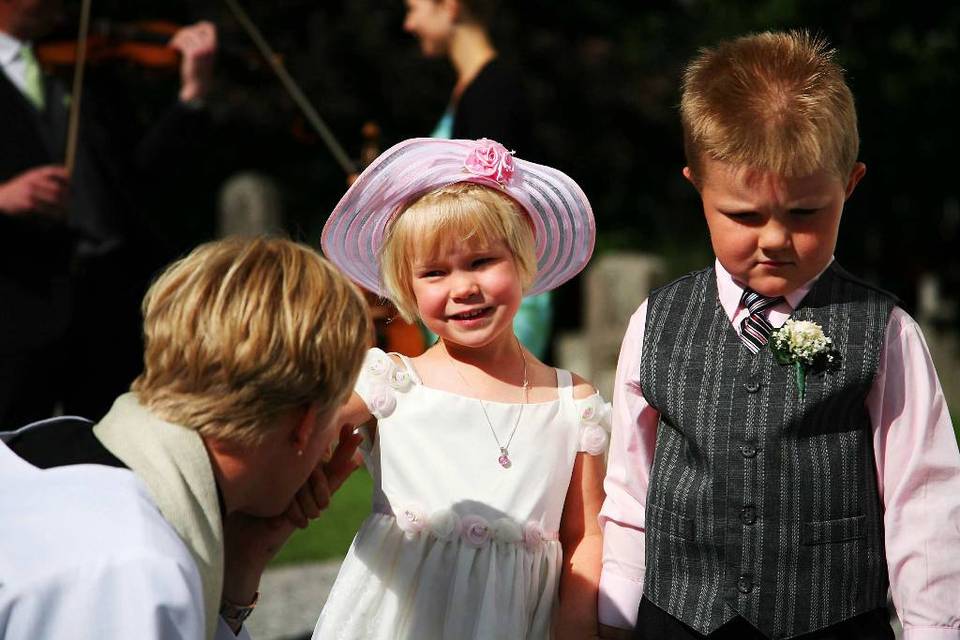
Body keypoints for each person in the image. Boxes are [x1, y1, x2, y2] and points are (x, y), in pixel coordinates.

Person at [597, 31, 960, 640]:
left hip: (831, 623)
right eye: (743, 215)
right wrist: (614, 614)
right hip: (681, 620)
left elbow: (922, 501)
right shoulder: (655, 322)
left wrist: (935, 630)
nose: (773, 238)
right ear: (697, 188)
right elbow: (631, 491)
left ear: (849, 186)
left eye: (804, 213)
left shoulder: (884, 332)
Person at [0, 237, 371, 639]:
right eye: (337, 409)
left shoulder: (48, 444)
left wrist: (241, 563)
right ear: (304, 423)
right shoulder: (133, 571)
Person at [313, 137, 606, 639]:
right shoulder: (392, 382)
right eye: (435, 273)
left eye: (481, 262)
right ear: (408, 287)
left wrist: (576, 625)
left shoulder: (571, 404)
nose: (463, 288)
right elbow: (307, 424)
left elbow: (586, 535)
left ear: (522, 261)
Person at [0, 0, 218, 427]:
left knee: (100, 450)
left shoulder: (84, 71)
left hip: (103, 303)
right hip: (13, 303)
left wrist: (192, 96)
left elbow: (142, 180)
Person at [402, 0, 554, 360]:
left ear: (450, 6)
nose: (410, 23)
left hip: (491, 284)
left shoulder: (493, 91)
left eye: (414, 8)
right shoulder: (473, 88)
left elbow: (486, 202)